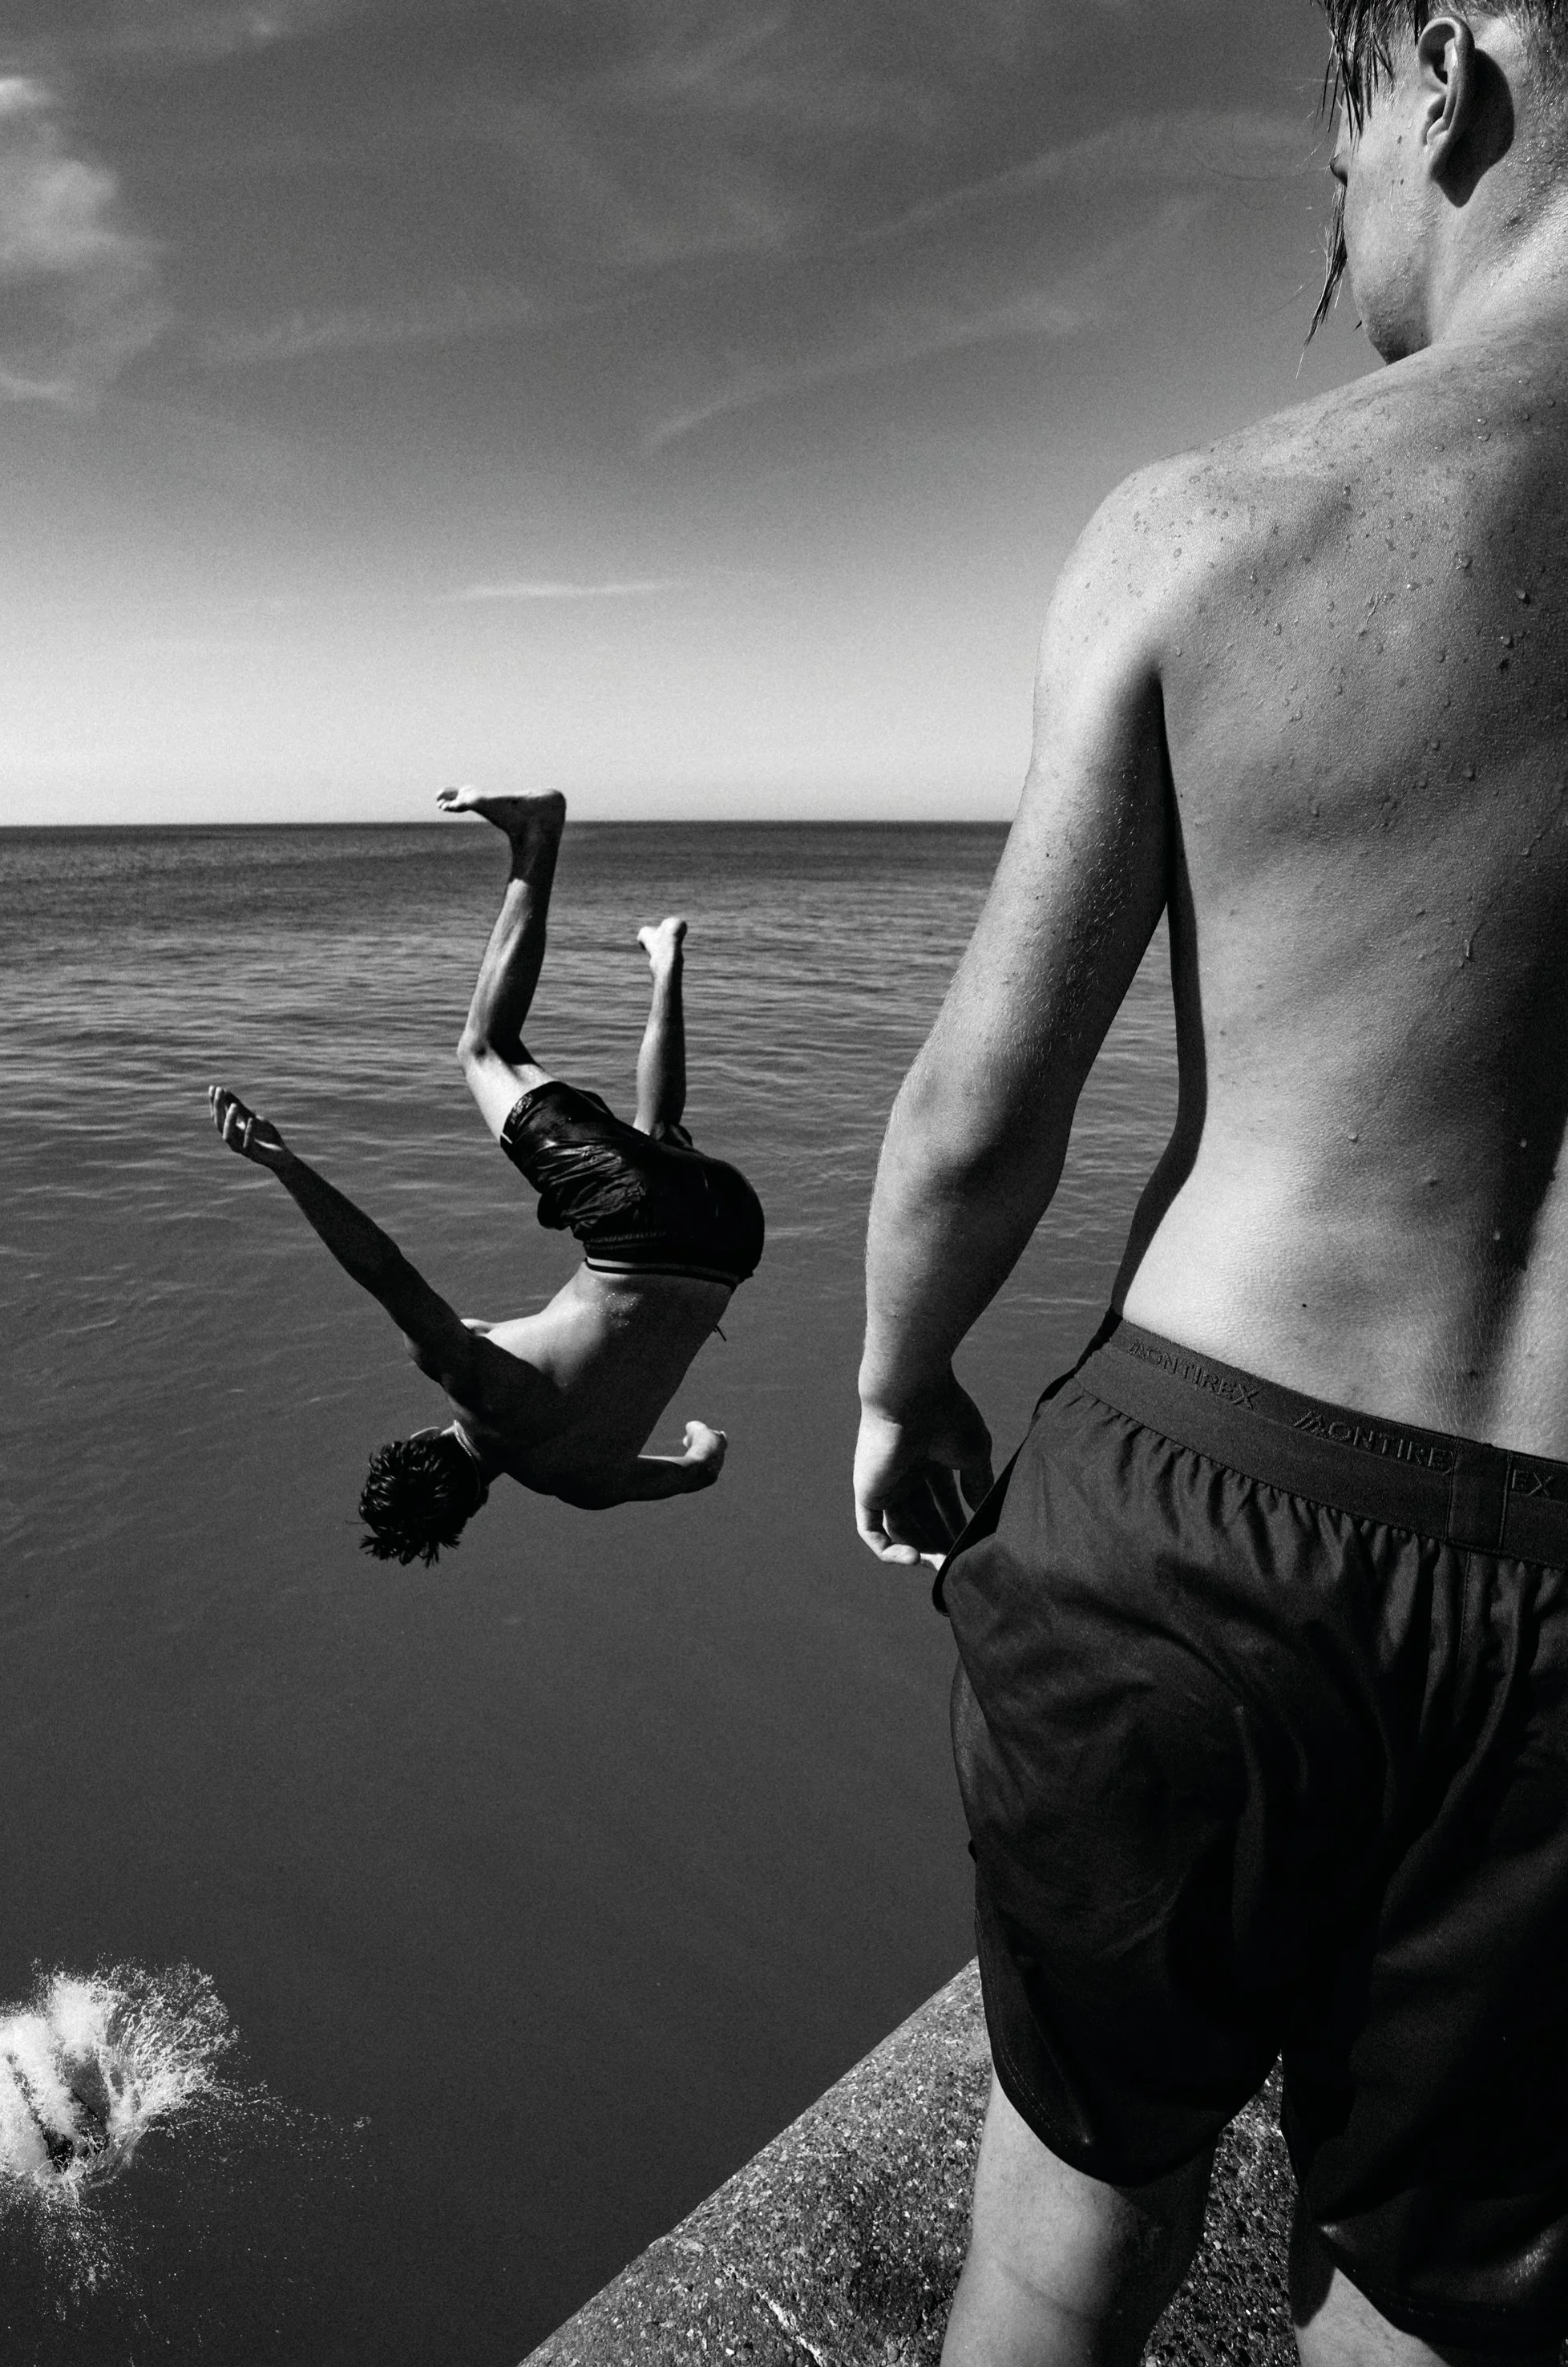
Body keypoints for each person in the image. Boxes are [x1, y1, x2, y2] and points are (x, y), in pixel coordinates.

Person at [855, 8, 1568, 2362]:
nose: (1335, 207)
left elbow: (981, 1101)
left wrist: (901, 1382)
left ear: (1448, 73)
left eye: (1332, 143)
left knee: (1058, 2256)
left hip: (1204, 1512)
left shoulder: (1213, 526)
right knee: (1445, 2318)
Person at [210, 788, 762, 1563]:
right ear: (417, 1437)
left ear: (467, 1513)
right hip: (639, 1225)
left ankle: (666, 960)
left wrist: (704, 1434)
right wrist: (284, 1164)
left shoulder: (587, 1483)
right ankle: (536, 836)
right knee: (483, 1048)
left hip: (732, 1236)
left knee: (659, 1140)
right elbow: (383, 1268)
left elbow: (700, 1470)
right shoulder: (469, 1378)